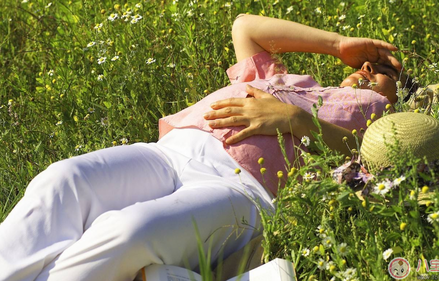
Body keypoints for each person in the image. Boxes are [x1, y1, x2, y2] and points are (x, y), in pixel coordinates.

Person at [0, 13, 405, 281]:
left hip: (240, 190)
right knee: (62, 179)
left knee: (129, 231)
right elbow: (245, 26)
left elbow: (374, 155)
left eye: (385, 71)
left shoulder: (381, 118)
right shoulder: (289, 79)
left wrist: (297, 121)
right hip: (171, 152)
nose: (369, 68)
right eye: (368, 64)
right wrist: (339, 45)